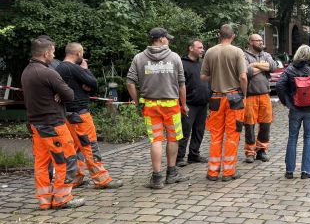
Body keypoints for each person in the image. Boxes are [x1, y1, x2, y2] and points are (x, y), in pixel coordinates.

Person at [21, 37, 84, 209]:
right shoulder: (48, 73)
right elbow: (70, 95)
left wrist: (56, 93)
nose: (54, 56)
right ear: (46, 53)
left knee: (41, 163)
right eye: (53, 52)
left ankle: (44, 200)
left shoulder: (26, 72)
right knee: (66, 160)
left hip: (36, 125)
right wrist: (59, 93)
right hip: (53, 125)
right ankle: (62, 198)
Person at [127, 28, 189, 188]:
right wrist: (184, 104)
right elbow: (181, 84)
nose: (168, 40)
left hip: (150, 105)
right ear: (161, 39)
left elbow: (130, 82)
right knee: (173, 138)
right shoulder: (174, 57)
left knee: (156, 140)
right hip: (171, 105)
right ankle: (171, 173)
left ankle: (156, 178)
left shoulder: (139, 58)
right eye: (167, 38)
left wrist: (136, 102)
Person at [56, 42, 122, 189]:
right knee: (90, 146)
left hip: (66, 114)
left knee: (73, 148)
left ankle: (76, 177)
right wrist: (85, 70)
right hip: (80, 114)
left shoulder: (59, 68)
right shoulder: (74, 68)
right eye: (82, 53)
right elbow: (94, 84)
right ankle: (101, 179)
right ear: (78, 53)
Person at [276, 45, 310, 179]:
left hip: (295, 108)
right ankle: (306, 171)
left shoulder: (290, 69)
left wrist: (286, 101)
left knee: (292, 138)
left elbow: (279, 85)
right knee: (308, 138)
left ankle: (289, 171)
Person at [200, 24, 248, 181]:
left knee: (216, 135)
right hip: (234, 98)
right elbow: (243, 77)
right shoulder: (237, 52)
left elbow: (203, 76)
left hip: (216, 98)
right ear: (233, 36)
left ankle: (213, 172)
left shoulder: (210, 52)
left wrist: (216, 75)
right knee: (232, 136)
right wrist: (244, 95)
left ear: (219, 36)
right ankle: (228, 172)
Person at [243, 34, 277, 163]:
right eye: (258, 41)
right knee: (249, 124)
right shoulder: (244, 55)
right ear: (251, 42)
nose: (261, 42)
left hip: (265, 95)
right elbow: (247, 72)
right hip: (250, 95)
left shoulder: (266, 55)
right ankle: (250, 152)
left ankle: (261, 150)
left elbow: (273, 67)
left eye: (262, 40)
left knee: (266, 124)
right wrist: (262, 67)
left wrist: (255, 65)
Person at [176, 39, 209, 166]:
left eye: (202, 48)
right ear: (191, 48)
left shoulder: (202, 63)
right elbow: (179, 85)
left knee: (199, 131)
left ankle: (194, 155)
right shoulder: (181, 63)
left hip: (202, 103)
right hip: (188, 103)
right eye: (199, 47)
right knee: (185, 131)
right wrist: (182, 103)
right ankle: (179, 157)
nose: (202, 50)